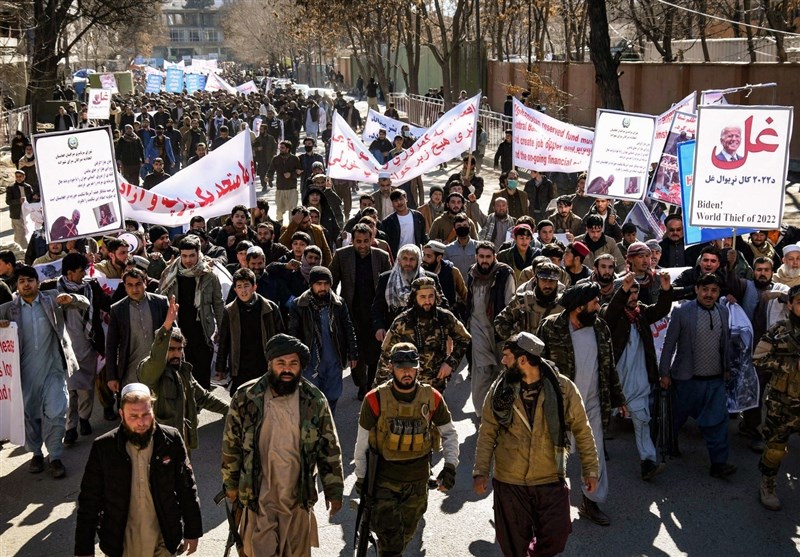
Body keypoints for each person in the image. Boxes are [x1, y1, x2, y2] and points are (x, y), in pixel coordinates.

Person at [473, 332, 599, 557]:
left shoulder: (563, 389)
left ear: (522, 360)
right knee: (513, 545)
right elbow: (487, 431)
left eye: (507, 356)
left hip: (549, 477)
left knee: (556, 538)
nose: (502, 361)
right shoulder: (500, 389)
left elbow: (582, 429)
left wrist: (590, 469)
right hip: (509, 480)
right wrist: (481, 471)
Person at [222, 334, 344, 556]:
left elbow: (329, 448)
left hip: (297, 499)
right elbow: (232, 444)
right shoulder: (246, 397)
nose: (287, 369)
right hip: (259, 498)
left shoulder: (314, 400)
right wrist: (230, 484)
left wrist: (334, 490)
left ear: (300, 367)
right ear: (270, 364)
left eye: (293, 363)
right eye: (281, 363)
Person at [354, 343, 459, 556]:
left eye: (411, 368)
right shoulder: (374, 399)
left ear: (418, 368)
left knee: (404, 537)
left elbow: (449, 433)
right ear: (391, 367)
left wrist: (450, 466)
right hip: (384, 483)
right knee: (391, 545)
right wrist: (361, 477)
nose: (407, 373)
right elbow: (362, 443)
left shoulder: (431, 398)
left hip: (417, 484)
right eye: (401, 368)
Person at [74, 383, 202, 557]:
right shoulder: (104, 447)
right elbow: (89, 500)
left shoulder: (170, 440)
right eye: (133, 416)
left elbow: (186, 487)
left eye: (146, 414)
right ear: (122, 414)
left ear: (153, 410)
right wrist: (84, 549)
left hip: (163, 539)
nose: (141, 422)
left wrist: (193, 531)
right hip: (121, 543)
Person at [537, 282, 628, 526]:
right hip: (560, 406)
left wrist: (618, 398)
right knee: (555, 457)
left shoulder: (599, 327)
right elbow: (536, 366)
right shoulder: (551, 327)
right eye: (594, 303)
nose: (598, 306)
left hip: (593, 403)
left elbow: (608, 366)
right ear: (579, 307)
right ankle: (548, 504)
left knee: (594, 454)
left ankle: (591, 501)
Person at [0, 265, 89, 478]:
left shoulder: (52, 298)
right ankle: (36, 453)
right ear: (16, 286)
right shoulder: (8, 309)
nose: (26, 285)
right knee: (30, 416)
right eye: (22, 281)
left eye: (30, 280)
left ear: (37, 283)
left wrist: (72, 299)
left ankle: (55, 456)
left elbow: (85, 303)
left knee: (57, 411)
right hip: (24, 373)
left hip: (53, 369)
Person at [659, 273, 737, 478]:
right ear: (696, 290)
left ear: (718, 293)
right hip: (686, 380)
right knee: (676, 418)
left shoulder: (723, 311)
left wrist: (726, 368)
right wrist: (664, 373)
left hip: (714, 380)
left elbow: (725, 343)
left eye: (714, 291)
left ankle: (719, 464)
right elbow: (669, 343)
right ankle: (669, 445)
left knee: (718, 422)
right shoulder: (682, 311)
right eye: (705, 290)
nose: (709, 294)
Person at [601, 271, 673, 480]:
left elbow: (661, 309)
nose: (633, 296)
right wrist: (623, 289)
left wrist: (665, 289)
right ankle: (596, 449)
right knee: (600, 419)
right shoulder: (610, 314)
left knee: (642, 419)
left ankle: (647, 462)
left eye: (635, 292)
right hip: (614, 379)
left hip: (638, 379)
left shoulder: (641, 314)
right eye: (628, 292)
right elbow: (610, 313)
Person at [137, 296, 229, 451]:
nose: (176, 354)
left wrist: (232, 409)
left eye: (179, 349)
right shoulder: (151, 371)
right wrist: (166, 328)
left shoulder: (183, 371)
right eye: (171, 349)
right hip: (159, 444)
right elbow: (156, 360)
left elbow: (204, 397)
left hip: (183, 442)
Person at [52, 252, 111, 445]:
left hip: (88, 345)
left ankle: (84, 418)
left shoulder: (91, 286)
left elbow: (108, 305)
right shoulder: (52, 289)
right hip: (64, 348)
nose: (84, 273)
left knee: (86, 388)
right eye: (81, 271)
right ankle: (70, 427)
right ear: (69, 273)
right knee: (69, 390)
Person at [375, 277, 471, 392]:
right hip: (407, 386)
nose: (427, 301)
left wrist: (450, 363)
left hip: (436, 386)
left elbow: (464, 338)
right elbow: (385, 356)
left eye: (431, 296)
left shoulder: (445, 318)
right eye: (422, 297)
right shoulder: (402, 322)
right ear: (414, 298)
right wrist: (378, 391)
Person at [329, 224, 392, 398]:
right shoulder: (342, 255)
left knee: (375, 352)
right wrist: (334, 306)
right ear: (353, 241)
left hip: (375, 313)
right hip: (352, 312)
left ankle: (370, 386)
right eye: (358, 241)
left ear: (372, 240)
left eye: (366, 241)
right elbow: (331, 282)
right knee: (356, 352)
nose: (362, 245)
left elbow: (390, 284)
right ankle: (361, 383)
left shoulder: (382, 257)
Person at [753, 284, 800, 510]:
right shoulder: (779, 331)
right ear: (790, 305)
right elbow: (758, 358)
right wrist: (789, 365)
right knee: (775, 449)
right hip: (782, 403)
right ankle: (768, 483)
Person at [288, 266, 358, 413]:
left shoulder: (338, 304)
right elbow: (293, 334)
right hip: (310, 361)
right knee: (311, 399)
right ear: (311, 285)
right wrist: (294, 359)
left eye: (326, 284)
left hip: (333, 358)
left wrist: (353, 354)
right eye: (319, 284)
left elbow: (348, 328)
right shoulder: (299, 305)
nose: (323, 288)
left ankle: (328, 422)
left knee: (332, 396)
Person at [159, 236, 224, 390]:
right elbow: (160, 299)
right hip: (177, 330)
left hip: (202, 331)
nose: (188, 260)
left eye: (192, 255)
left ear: (198, 253)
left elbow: (218, 304)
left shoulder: (209, 275)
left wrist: (221, 330)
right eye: (184, 256)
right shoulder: (170, 273)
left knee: (201, 374)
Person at [217, 268, 285, 393]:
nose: (243, 290)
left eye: (246, 286)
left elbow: (280, 337)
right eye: (239, 287)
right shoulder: (230, 311)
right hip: (240, 364)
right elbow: (224, 340)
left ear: (254, 287)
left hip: (264, 362)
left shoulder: (270, 308)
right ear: (235, 289)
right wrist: (220, 367)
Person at [466, 242, 515, 413]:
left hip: (499, 329)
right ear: (476, 257)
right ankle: (482, 413)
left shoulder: (504, 274)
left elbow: (510, 304)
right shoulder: (472, 273)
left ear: (495, 257)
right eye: (481, 257)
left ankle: (500, 411)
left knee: (501, 371)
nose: (484, 260)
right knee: (482, 371)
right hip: (478, 327)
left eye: (488, 257)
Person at [106, 268, 169, 396]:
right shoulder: (118, 310)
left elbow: (175, 336)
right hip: (131, 372)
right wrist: (111, 376)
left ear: (145, 283)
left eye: (138, 284)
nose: (134, 289)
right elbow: (111, 345)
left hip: (160, 369)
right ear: (125, 287)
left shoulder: (160, 303)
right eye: (130, 285)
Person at [495, 261, 564, 341]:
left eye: (552, 281)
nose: (548, 285)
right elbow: (500, 322)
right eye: (544, 280)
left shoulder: (564, 304)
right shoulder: (523, 301)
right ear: (536, 279)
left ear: (557, 282)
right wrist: (516, 340)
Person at [381, 189, 428, 257]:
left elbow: (423, 237)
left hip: (415, 255)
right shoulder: (388, 222)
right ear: (392, 203)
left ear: (406, 199)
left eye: (401, 199)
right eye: (395, 201)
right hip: (397, 257)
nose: (399, 202)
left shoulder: (418, 217)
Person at [6, 169, 35, 248]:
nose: (18, 178)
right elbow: (8, 201)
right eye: (17, 176)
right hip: (16, 214)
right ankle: (23, 249)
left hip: (27, 213)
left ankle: (18, 247)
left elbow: (31, 199)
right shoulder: (11, 187)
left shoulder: (28, 187)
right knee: (20, 232)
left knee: (27, 230)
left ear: (24, 177)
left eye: (20, 176)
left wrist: (34, 197)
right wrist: (18, 201)